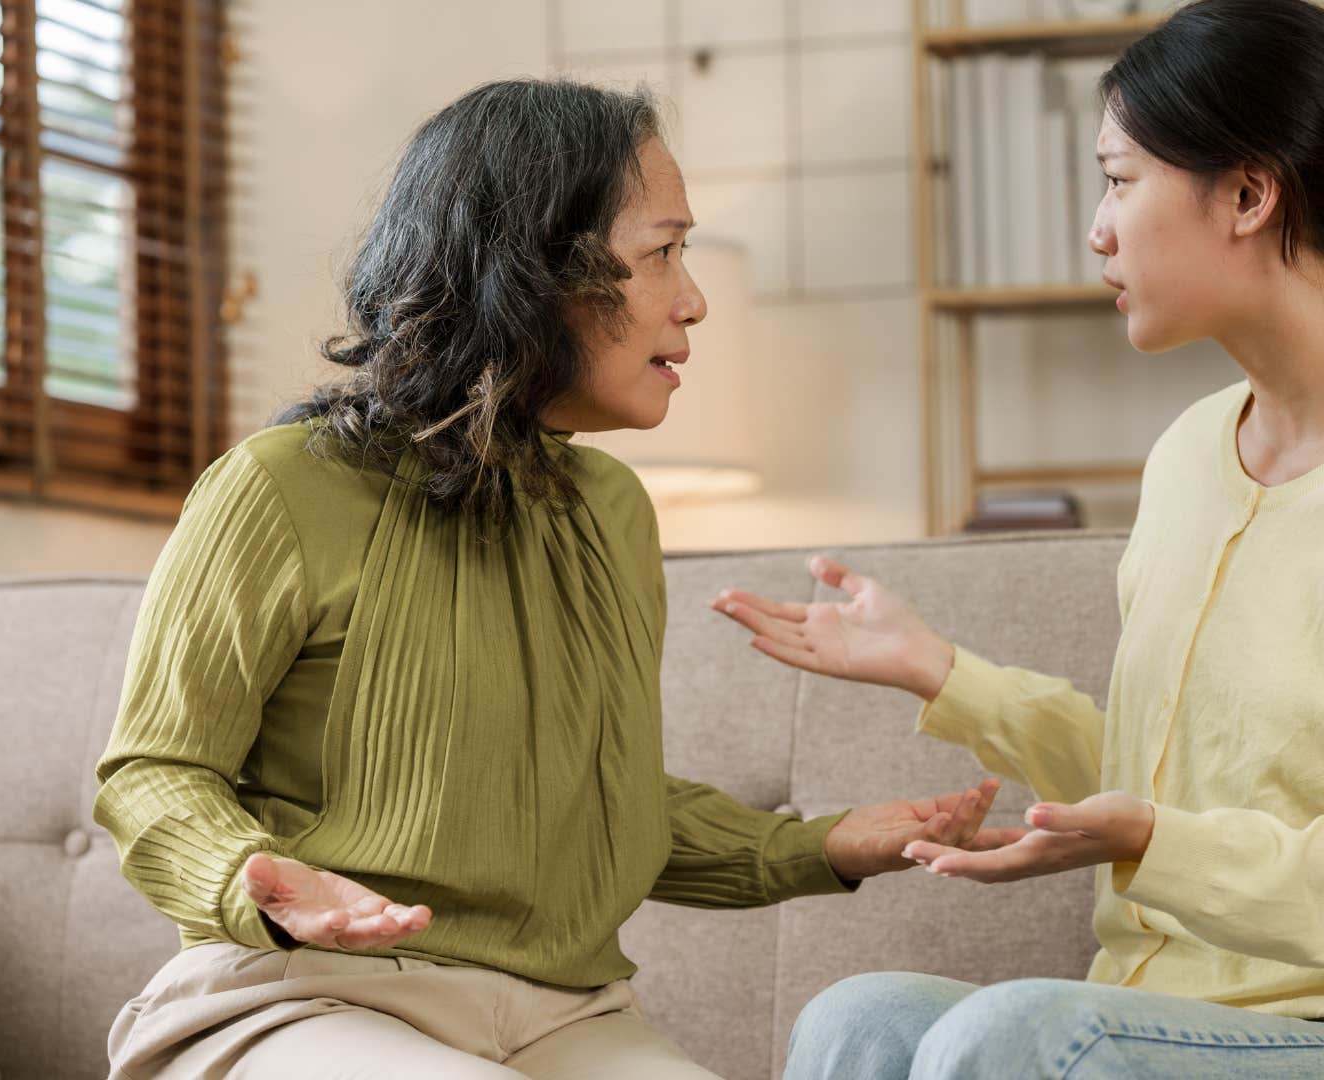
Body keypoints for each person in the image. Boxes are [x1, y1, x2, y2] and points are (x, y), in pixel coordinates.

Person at [94, 78, 1016, 1080]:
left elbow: (601, 805)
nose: (693, 298)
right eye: (662, 252)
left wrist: (828, 845)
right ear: (534, 270)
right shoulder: (280, 488)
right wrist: (249, 874)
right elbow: (154, 771)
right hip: (300, 1000)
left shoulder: (610, 511)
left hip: (566, 1018)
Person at [715, 2, 1324, 1077]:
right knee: (858, 1019)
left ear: (1250, 195)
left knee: (1014, 1036)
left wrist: (1158, 845)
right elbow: (1157, 783)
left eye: (1120, 179)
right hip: (1160, 1016)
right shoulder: (1190, 458)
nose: (1097, 228)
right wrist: (938, 672)